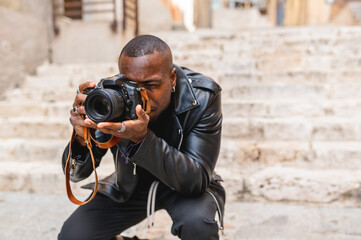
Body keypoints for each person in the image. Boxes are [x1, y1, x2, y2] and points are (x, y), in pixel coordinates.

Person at [58, 34, 225, 240]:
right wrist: (82, 138)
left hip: (183, 183)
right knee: (73, 236)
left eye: (151, 85)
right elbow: (76, 175)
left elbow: (195, 180)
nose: (141, 95)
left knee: (198, 225)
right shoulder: (111, 95)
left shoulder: (202, 96)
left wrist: (142, 139)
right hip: (130, 184)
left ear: (172, 78)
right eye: (131, 85)